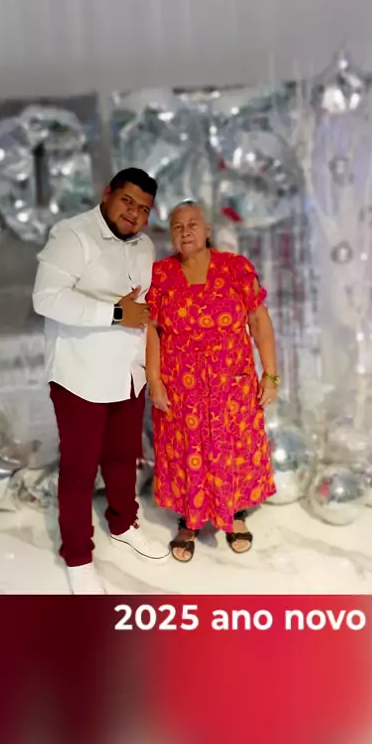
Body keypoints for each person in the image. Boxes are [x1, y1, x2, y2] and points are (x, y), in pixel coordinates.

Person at [33, 167, 169, 594]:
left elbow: (142, 308)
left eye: (143, 209)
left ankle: (124, 524)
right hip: (80, 376)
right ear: (107, 193)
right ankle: (78, 556)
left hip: (127, 375)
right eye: (127, 201)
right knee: (79, 470)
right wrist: (114, 312)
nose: (134, 214)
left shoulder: (145, 246)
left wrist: (148, 368)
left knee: (123, 456)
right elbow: (46, 298)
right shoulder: (72, 235)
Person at [146, 200, 278, 561]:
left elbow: (259, 321)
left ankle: (234, 514)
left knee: (231, 448)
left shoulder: (236, 268)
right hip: (181, 387)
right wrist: (154, 379)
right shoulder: (160, 274)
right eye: (177, 226)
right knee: (186, 451)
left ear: (207, 230)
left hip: (231, 386)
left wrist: (270, 374)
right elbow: (151, 329)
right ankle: (189, 519)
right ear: (171, 235)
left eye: (192, 224)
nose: (185, 231)